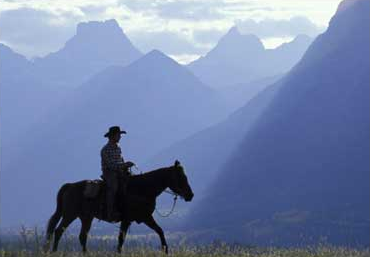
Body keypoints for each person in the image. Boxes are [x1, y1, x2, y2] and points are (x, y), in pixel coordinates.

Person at [100, 126, 134, 221]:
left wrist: (125, 165)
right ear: (112, 136)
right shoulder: (105, 150)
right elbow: (111, 165)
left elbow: (119, 161)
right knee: (113, 188)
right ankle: (110, 212)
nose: (120, 137)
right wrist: (124, 165)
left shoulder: (118, 148)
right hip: (109, 173)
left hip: (120, 172)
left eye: (119, 135)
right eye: (118, 135)